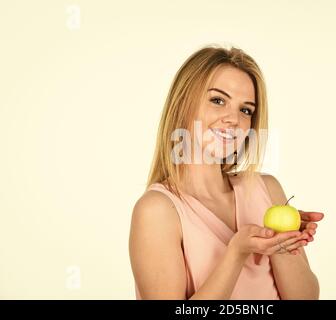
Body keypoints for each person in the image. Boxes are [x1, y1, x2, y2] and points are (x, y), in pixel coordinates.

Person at [129, 45, 324, 300]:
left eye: (246, 110)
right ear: (183, 104)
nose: (234, 119)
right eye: (218, 100)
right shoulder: (157, 210)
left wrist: (281, 244)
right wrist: (236, 252)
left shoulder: (267, 189)